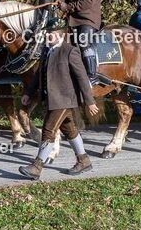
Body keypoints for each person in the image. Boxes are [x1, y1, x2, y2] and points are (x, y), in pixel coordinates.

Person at [20, 17, 100, 179]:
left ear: (61, 35)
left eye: (51, 34)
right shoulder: (46, 50)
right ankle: (83, 160)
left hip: (65, 98)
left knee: (48, 130)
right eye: (47, 34)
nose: (48, 37)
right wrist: (29, 93)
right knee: (70, 130)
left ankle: (37, 166)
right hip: (52, 98)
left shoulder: (70, 51)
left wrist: (89, 101)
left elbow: (82, 78)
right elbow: (38, 76)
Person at [55, 0, 104, 84]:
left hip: (87, 20)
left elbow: (88, 2)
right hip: (71, 21)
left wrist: (67, 7)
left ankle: (92, 75)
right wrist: (57, 0)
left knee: (84, 42)